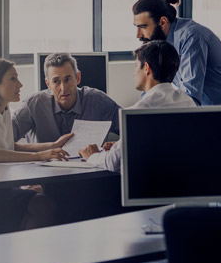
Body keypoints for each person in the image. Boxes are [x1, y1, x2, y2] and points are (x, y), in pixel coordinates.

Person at [0, 59, 73, 233]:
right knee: (42, 205)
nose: (20, 84)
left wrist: (52, 146)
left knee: (46, 204)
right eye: (13, 79)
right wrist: (39, 156)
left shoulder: (4, 110)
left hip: (2, 188)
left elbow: (11, 146)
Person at [79, 40, 196, 171]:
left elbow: (112, 162)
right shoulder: (188, 101)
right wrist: (124, 146)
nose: (134, 73)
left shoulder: (139, 111)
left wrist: (92, 156)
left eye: (136, 66)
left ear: (146, 68)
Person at [132, 0, 221, 105]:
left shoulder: (192, 37)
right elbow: (153, 88)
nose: (138, 35)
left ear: (163, 22)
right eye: (136, 27)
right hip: (211, 112)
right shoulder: (160, 45)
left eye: (143, 27)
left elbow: (190, 96)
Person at [12, 52, 121, 143]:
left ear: (77, 78)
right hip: (42, 167)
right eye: (56, 81)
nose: (63, 88)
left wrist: (115, 147)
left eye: (68, 79)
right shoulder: (33, 105)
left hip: (90, 167)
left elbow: (131, 128)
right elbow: (3, 140)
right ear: (48, 84)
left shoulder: (97, 101)